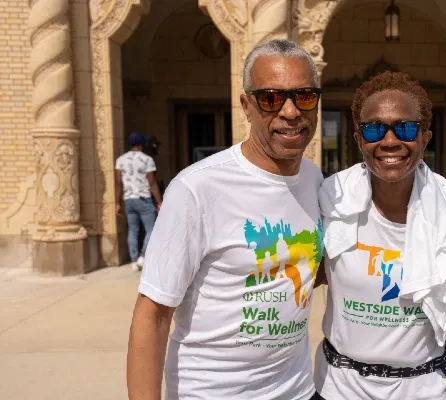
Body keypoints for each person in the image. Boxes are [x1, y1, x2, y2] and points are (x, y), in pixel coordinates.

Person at [126, 39, 325, 400]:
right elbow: (152, 315)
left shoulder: (314, 180)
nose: (291, 111)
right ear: (246, 106)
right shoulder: (197, 188)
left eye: (305, 96)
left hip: (296, 390)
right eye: (271, 98)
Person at [315, 71, 446, 400]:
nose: (391, 140)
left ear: (425, 138)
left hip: (425, 390)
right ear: (358, 139)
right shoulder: (330, 197)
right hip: (340, 389)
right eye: (375, 129)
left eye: (406, 128)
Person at [115, 132, 163, 272]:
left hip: (129, 199)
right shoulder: (147, 160)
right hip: (144, 198)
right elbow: (152, 183)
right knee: (151, 229)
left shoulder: (120, 160)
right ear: (141, 144)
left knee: (133, 230)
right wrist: (159, 202)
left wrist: (117, 203)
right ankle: (143, 256)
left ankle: (134, 260)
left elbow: (118, 183)